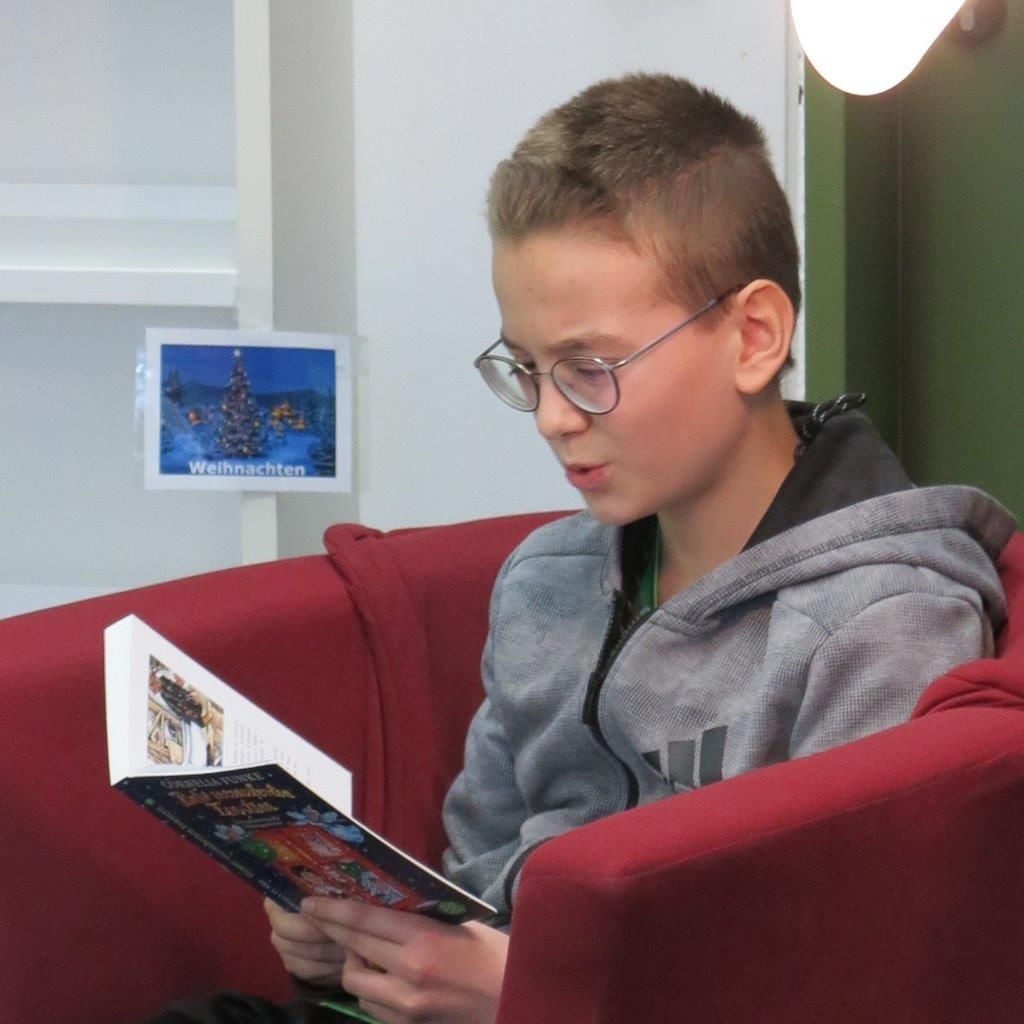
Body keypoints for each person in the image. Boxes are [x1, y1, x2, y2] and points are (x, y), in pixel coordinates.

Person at [146, 72, 1014, 1024]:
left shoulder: (882, 625)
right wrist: (359, 944)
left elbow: (848, 982)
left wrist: (532, 994)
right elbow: (476, 878)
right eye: (526, 367)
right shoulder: (546, 581)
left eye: (591, 368)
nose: (552, 418)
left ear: (755, 335)